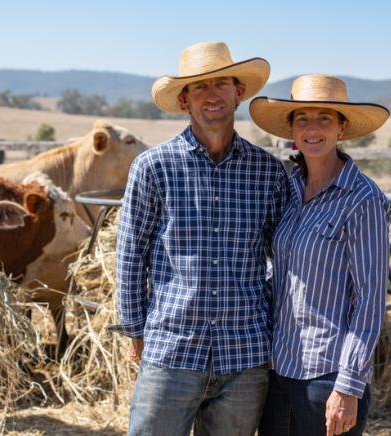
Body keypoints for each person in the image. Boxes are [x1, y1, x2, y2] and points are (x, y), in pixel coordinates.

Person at [110, 41, 289, 436]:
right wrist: (135, 329)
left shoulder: (267, 173)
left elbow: (285, 258)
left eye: (221, 84)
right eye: (201, 87)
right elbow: (130, 254)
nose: (212, 96)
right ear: (185, 99)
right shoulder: (152, 167)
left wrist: (269, 324)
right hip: (171, 347)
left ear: (239, 92)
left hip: (244, 354)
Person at [250, 74, 391, 436]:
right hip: (279, 366)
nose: (312, 128)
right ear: (292, 132)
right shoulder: (291, 189)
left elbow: (370, 300)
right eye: (303, 120)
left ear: (341, 129)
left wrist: (348, 386)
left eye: (324, 119)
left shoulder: (363, 200)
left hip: (327, 374)